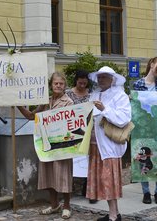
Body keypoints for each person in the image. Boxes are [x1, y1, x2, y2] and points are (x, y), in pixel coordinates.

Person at [17, 72, 74, 219]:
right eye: (56, 83)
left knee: (63, 176)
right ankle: (54, 204)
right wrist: (17, 105)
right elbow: (31, 116)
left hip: (62, 145)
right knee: (48, 175)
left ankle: (67, 206)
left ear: (65, 86)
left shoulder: (68, 102)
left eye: (61, 84)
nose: (58, 86)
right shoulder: (46, 101)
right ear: (51, 85)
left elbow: (71, 123)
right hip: (46, 145)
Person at [87, 66, 131, 221]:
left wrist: (104, 109)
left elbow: (124, 118)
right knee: (102, 180)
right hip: (95, 144)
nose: (101, 80)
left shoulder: (120, 95)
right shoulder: (94, 94)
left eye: (104, 77)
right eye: (99, 77)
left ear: (112, 79)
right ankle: (114, 212)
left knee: (109, 181)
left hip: (109, 145)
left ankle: (113, 215)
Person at [133, 57, 157, 205]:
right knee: (143, 157)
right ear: (151, 64)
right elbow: (135, 106)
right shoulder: (139, 84)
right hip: (143, 127)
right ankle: (146, 192)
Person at [65, 70, 95, 203]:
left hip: (88, 131)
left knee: (87, 160)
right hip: (71, 131)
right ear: (76, 80)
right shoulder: (68, 93)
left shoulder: (91, 95)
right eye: (80, 81)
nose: (82, 84)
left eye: (85, 82)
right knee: (71, 159)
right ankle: (67, 188)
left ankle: (87, 188)